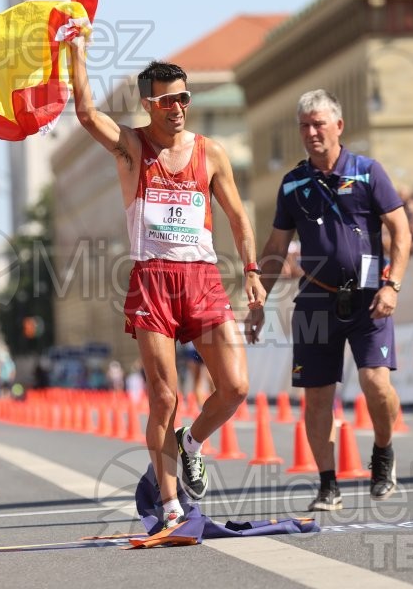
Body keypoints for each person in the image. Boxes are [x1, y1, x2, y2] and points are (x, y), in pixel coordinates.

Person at [68, 37, 265, 529]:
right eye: (167, 101)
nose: (177, 109)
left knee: (236, 385)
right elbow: (88, 112)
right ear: (147, 104)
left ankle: (190, 443)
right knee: (165, 397)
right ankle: (172, 507)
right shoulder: (133, 147)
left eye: (184, 98)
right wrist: (75, 52)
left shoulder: (211, 153)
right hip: (152, 279)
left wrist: (255, 274)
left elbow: (239, 218)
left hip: (202, 279)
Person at [244, 89, 411, 511]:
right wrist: (259, 298)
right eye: (304, 125)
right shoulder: (293, 183)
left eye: (319, 123)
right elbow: (276, 246)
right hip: (316, 302)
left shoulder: (369, 172)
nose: (311, 132)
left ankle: (383, 451)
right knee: (317, 396)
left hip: (370, 298)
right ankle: (327, 483)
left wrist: (393, 285)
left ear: (339, 126)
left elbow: (401, 230)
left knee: (377, 384)